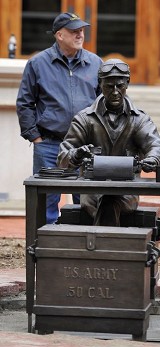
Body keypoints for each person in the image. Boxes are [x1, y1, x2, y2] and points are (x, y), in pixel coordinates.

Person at [57, 58, 160, 226]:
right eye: (109, 86)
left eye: (120, 86)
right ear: (100, 84)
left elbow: (156, 146)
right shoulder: (85, 119)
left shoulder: (139, 120)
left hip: (127, 190)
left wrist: (153, 159)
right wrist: (76, 154)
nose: (115, 92)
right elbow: (63, 156)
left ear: (127, 84)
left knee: (110, 202)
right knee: (105, 201)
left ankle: (97, 248)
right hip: (92, 190)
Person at [16, 12, 103, 224]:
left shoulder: (96, 63)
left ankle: (82, 252)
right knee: (46, 206)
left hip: (86, 146)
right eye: (74, 31)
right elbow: (25, 103)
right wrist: (35, 137)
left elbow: (106, 103)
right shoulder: (37, 63)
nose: (80, 34)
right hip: (49, 145)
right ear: (59, 35)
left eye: (81, 30)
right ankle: (45, 253)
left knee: (87, 205)